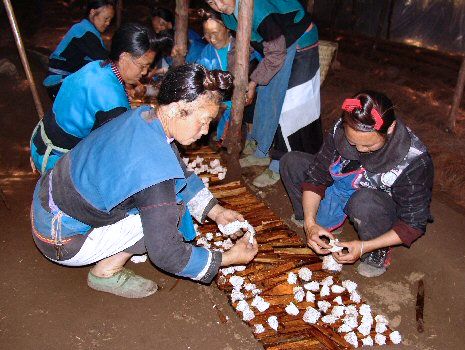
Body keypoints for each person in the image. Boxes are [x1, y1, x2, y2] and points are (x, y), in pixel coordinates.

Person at [31, 64, 259, 298]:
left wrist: (217, 212)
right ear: (175, 109)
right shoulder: (154, 175)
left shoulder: (143, 117)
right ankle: (106, 272)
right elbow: (168, 255)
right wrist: (228, 258)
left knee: (161, 203)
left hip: (46, 203)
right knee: (169, 213)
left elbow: (179, 172)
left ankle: (116, 243)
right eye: (203, 121)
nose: (205, 131)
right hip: (59, 237)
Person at [280, 91, 434, 277]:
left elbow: (413, 223)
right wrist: (310, 224)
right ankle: (311, 219)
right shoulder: (341, 128)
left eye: (369, 146)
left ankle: (376, 249)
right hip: (342, 185)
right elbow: (317, 175)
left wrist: (363, 247)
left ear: (391, 128)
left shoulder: (414, 161)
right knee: (292, 162)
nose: (360, 150)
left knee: (364, 201)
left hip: (375, 205)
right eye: (352, 142)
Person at [205, 0, 323, 188]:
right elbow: (241, 44)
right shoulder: (228, 15)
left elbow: (276, 53)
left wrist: (252, 81)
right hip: (277, 45)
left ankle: (280, 163)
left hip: (299, 40)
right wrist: (236, 79)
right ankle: (261, 150)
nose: (219, 5)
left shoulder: (258, 11)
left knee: (289, 105)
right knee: (267, 95)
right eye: (212, 2)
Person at [31, 22, 157, 173]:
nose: (144, 72)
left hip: (40, 140)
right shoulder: (113, 101)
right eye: (142, 66)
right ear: (124, 57)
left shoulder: (97, 66)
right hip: (55, 158)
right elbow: (113, 151)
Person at [196, 9, 261, 142]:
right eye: (206, 35)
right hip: (223, 105)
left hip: (249, 102)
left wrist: (253, 84)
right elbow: (201, 79)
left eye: (215, 33)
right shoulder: (207, 53)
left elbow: (263, 65)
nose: (212, 39)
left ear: (227, 29)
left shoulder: (244, 47)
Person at [43, 0, 116, 100]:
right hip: (59, 84)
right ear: (92, 12)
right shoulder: (83, 32)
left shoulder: (90, 32)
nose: (108, 23)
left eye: (110, 20)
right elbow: (106, 61)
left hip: (67, 82)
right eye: (106, 18)